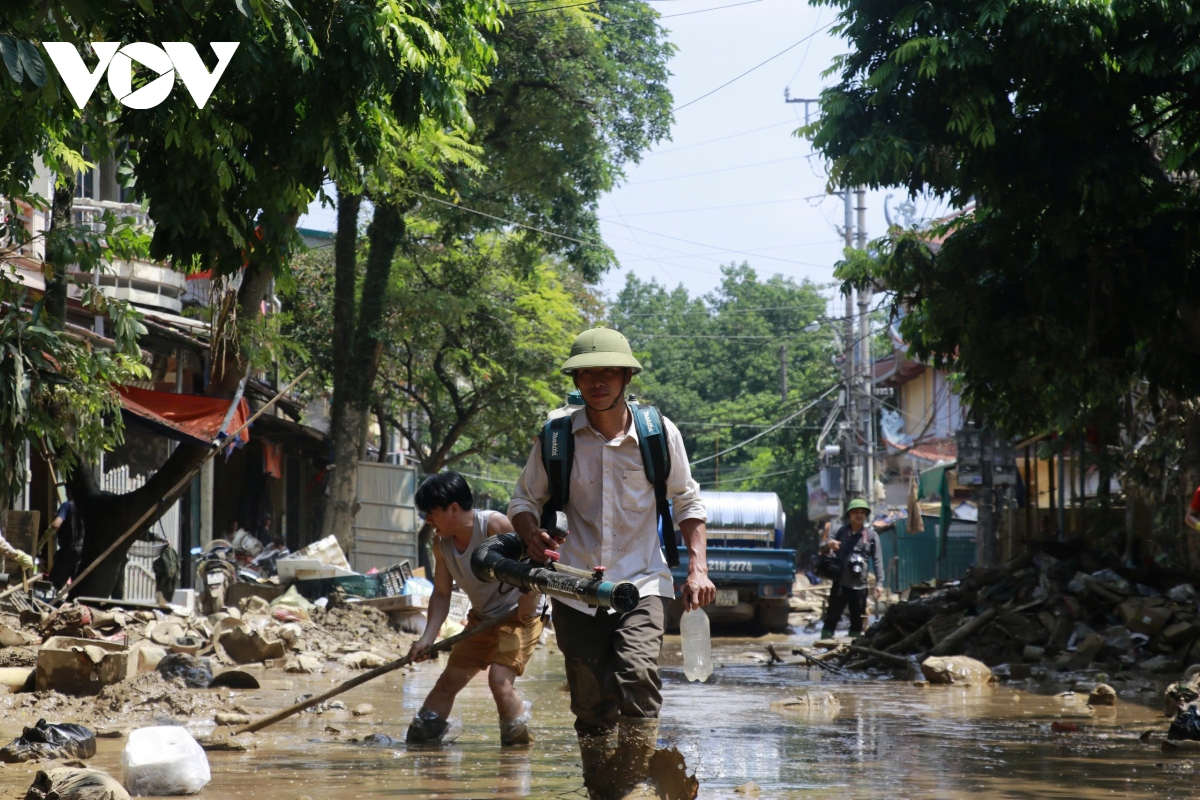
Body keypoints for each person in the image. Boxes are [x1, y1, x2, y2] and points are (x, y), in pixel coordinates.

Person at [508, 327, 715, 797]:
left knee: (637, 676)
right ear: (577, 382)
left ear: (625, 377)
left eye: (607, 372)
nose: (597, 381)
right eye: (587, 374)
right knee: (589, 699)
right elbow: (523, 499)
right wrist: (529, 535)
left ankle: (628, 787)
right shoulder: (556, 438)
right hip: (573, 585)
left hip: (641, 581)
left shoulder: (658, 434)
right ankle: (601, 788)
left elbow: (687, 502)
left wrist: (698, 567)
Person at [406, 471, 543, 747]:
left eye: (431, 513)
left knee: (499, 680)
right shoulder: (441, 543)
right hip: (482, 618)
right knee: (449, 682)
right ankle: (422, 745)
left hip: (520, 615)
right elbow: (442, 593)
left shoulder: (494, 525)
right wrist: (427, 639)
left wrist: (526, 610)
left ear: (453, 508)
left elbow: (534, 571)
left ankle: (517, 755)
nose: (428, 521)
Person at [820, 498, 885, 639]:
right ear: (849, 515)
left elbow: (878, 561)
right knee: (832, 618)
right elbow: (821, 549)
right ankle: (823, 646)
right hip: (840, 584)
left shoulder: (872, 536)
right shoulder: (840, 533)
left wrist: (879, 584)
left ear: (866, 515)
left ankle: (854, 651)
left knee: (857, 621)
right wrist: (829, 545)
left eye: (862, 512)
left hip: (860, 586)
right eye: (855, 512)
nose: (859, 515)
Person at [47, 498, 82, 588]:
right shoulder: (87, 506)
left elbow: (56, 525)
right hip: (84, 550)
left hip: (69, 549)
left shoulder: (67, 505)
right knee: (78, 584)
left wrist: (44, 537)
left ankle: (51, 598)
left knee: (55, 582)